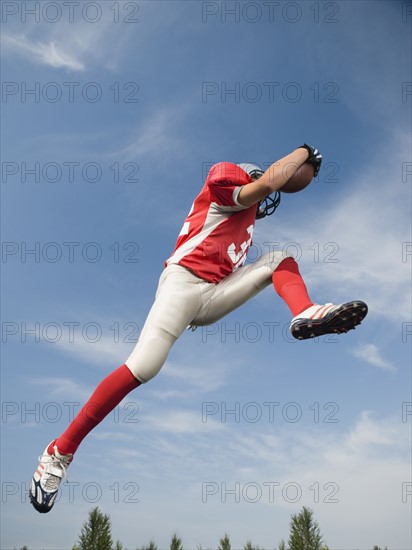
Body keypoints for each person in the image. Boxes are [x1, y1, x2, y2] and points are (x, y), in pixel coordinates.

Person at [29, 144, 368, 513]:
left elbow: (271, 188)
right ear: (246, 174)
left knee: (278, 259)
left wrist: (309, 170)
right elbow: (270, 181)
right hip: (182, 284)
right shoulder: (224, 176)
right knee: (143, 367)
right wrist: (303, 150)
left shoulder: (245, 229)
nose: (262, 204)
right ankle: (58, 453)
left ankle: (306, 311)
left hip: (211, 295)